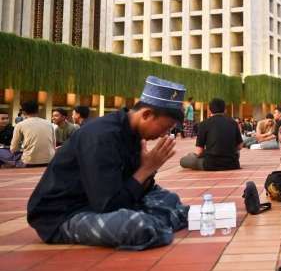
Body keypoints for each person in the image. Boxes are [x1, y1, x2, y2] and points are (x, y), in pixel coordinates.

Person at [27, 76, 188, 250]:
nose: (165, 134)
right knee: (137, 226)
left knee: (169, 199)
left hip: (101, 202)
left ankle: (160, 221)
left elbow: (134, 188)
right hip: (65, 213)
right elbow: (109, 205)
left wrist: (148, 172)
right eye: (165, 127)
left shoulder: (132, 134)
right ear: (146, 114)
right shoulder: (101, 137)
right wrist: (146, 169)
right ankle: (160, 222)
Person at [180, 98, 242, 170]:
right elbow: (240, 146)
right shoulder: (233, 123)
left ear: (210, 110)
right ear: (225, 109)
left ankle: (191, 156)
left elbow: (199, 151)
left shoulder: (204, 124)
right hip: (232, 164)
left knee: (184, 160)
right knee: (235, 152)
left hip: (210, 164)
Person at [4, 100, 55, 168]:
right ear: (38, 110)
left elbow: (14, 148)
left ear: (23, 112)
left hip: (29, 161)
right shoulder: (49, 124)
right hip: (49, 160)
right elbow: (53, 144)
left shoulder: (20, 125)